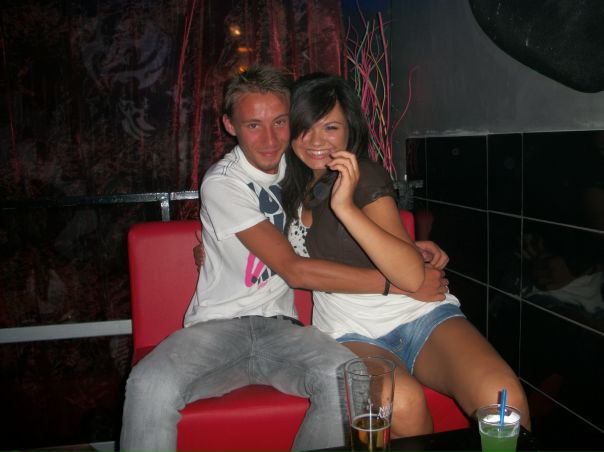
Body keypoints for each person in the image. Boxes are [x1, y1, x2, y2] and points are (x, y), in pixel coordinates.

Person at [120, 65, 448, 452]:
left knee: (343, 379)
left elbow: (337, 228)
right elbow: (294, 269)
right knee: (148, 383)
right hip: (218, 327)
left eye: (279, 122)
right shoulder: (223, 181)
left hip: (284, 331)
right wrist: (398, 285)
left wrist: (408, 249)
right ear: (229, 125)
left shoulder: (299, 169)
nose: (270, 139)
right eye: (253, 125)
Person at [280, 72, 531, 437]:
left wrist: (345, 207)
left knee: (504, 401)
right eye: (305, 127)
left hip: (421, 315)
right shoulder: (284, 186)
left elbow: (412, 277)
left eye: (330, 127)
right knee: (402, 404)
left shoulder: (364, 177)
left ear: (350, 130)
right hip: (349, 330)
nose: (316, 141)